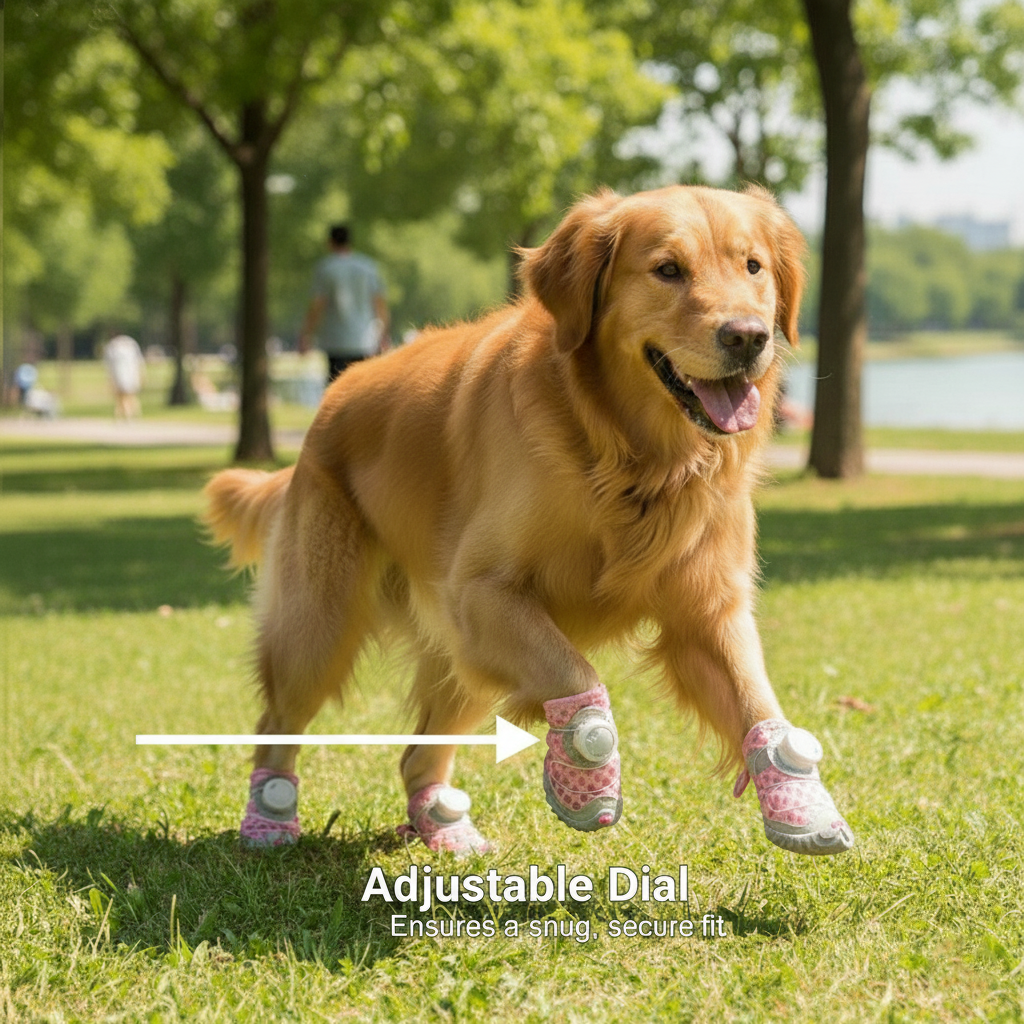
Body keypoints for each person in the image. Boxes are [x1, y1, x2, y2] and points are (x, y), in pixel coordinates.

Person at [298, 225, 390, 384]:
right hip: (365, 341)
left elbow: (317, 306)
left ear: (330, 242)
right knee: (362, 390)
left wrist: (306, 334)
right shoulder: (368, 267)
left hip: (336, 341)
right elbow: (379, 304)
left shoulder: (326, 269)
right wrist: (383, 334)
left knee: (338, 390)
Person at [104, 333, 146, 419]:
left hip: (124, 375)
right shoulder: (127, 345)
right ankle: (127, 415)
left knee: (125, 397)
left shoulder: (114, 347)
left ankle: (126, 415)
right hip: (126, 375)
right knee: (126, 397)